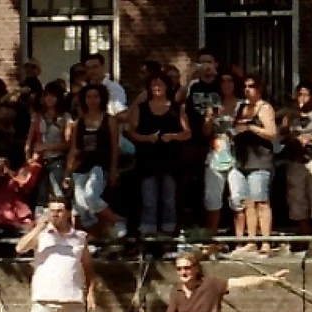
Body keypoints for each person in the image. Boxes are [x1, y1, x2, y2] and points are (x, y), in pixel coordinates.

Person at [150, 252, 288, 312]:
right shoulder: (176, 289)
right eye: (179, 269)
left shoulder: (211, 284)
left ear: (196, 269)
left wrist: (267, 279)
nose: (183, 272)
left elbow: (240, 282)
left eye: (187, 268)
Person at [15, 196, 94, 312]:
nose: (55, 214)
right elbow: (20, 248)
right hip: (44, 297)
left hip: (72, 297)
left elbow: (88, 266)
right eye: (52, 211)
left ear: (68, 213)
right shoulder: (41, 235)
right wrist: (38, 228)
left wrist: (90, 293)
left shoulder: (79, 238)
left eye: (59, 211)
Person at [127, 71, 190, 238]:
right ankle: (148, 232)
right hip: (148, 160)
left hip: (171, 160)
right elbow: (131, 132)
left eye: (160, 84)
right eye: (153, 84)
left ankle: (168, 232)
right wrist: (146, 138)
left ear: (167, 87)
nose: (157, 88)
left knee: (169, 199)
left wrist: (173, 136)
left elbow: (187, 133)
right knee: (149, 199)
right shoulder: (141, 108)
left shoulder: (177, 108)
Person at [65, 83, 124, 238]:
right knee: (80, 206)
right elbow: (74, 149)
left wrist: (113, 170)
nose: (92, 100)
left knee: (91, 196)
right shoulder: (79, 122)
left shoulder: (109, 120)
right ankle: (93, 235)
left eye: (96, 96)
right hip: (80, 166)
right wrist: (67, 172)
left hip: (100, 165)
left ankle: (115, 219)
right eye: (89, 97)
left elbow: (114, 147)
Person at [228, 74, 277, 254]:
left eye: (252, 86)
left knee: (261, 201)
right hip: (242, 160)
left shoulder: (264, 108)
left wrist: (251, 127)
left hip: (260, 161)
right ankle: (251, 239)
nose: (248, 90)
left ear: (259, 88)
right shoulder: (240, 107)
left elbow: (272, 133)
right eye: (245, 86)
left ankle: (265, 242)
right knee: (247, 202)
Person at [202, 67, 242, 234]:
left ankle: (241, 238)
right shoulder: (213, 105)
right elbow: (205, 131)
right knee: (212, 198)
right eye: (223, 81)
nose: (226, 84)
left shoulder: (242, 104)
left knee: (238, 197)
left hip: (238, 156)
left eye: (230, 80)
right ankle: (212, 235)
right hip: (216, 155)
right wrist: (210, 118)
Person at [280, 81, 312, 234]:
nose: (302, 98)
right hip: (295, 160)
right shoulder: (290, 114)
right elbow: (279, 137)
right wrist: (286, 131)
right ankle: (303, 230)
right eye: (299, 95)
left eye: (306, 95)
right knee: (296, 195)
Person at [26, 81, 71, 214]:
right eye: (46, 96)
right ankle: (41, 224)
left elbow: (68, 143)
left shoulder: (65, 117)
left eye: (53, 96)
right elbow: (29, 140)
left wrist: (46, 147)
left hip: (57, 159)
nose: (49, 99)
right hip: (39, 161)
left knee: (58, 193)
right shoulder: (37, 116)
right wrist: (28, 158)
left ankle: (60, 223)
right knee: (41, 194)